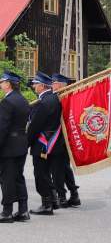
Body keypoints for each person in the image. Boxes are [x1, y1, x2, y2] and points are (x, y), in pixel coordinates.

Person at [27, 72, 65, 215]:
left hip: (42, 143)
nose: (34, 86)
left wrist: (27, 142)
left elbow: (35, 126)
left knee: (40, 173)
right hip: (52, 143)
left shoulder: (45, 102)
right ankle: (53, 200)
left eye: (35, 84)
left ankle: (46, 204)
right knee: (45, 172)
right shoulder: (53, 98)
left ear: (42, 86)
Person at [0, 71, 31, 222]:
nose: (0, 84)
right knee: (18, 177)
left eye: (2, 81)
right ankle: (23, 211)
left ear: (8, 84)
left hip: (8, 146)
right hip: (21, 144)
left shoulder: (7, 102)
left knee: (7, 178)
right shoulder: (23, 100)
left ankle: (7, 212)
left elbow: (2, 128)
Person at [51, 73, 81, 207]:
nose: (52, 85)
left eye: (54, 83)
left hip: (60, 139)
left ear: (60, 85)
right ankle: (74, 194)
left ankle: (62, 197)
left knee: (57, 168)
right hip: (65, 139)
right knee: (64, 167)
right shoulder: (64, 97)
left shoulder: (64, 98)